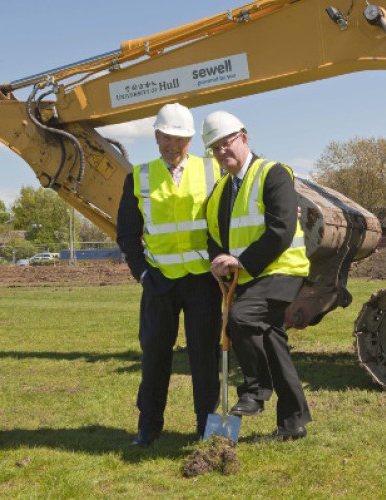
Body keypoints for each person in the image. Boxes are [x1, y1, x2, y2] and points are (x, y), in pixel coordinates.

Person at [116, 103, 222, 447]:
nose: (172, 145)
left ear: (191, 139)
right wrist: (143, 274)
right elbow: (128, 233)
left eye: (179, 139)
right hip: (159, 282)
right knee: (155, 355)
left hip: (202, 281)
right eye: (166, 138)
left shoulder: (212, 171)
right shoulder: (139, 177)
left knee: (204, 356)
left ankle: (206, 427)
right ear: (157, 137)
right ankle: (148, 426)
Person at [203, 110, 312, 441]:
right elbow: (215, 237)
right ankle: (293, 423)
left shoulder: (273, 173)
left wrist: (242, 263)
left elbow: (281, 229)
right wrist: (218, 261)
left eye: (228, 143)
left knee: (241, 316)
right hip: (250, 277)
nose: (223, 152)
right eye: (216, 148)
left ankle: (254, 390)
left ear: (244, 139)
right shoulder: (221, 191)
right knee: (272, 342)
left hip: (281, 270)